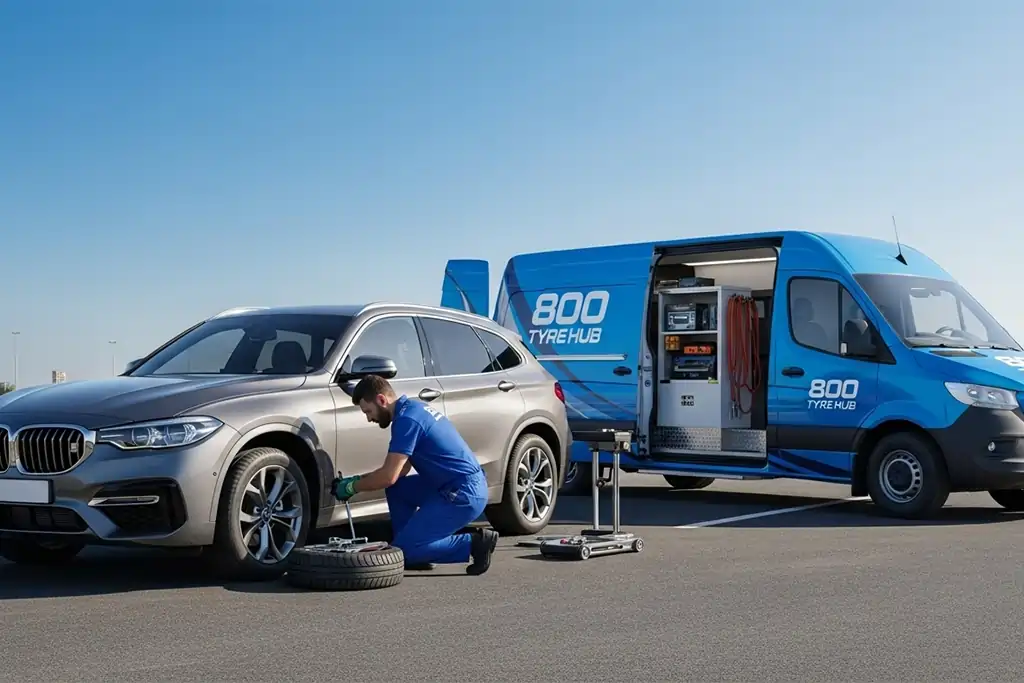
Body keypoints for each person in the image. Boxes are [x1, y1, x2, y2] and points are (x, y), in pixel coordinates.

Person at [330, 374, 499, 575]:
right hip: (453, 485)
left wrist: (352, 487)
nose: (369, 418)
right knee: (398, 489)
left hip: (463, 494)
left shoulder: (407, 421)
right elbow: (400, 471)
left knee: (403, 551)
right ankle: (416, 550)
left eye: (368, 411)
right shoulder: (413, 410)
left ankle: (474, 543)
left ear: (381, 400)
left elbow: (388, 476)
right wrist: (358, 480)